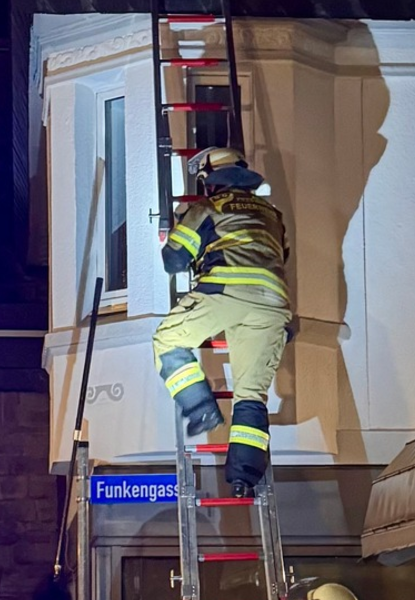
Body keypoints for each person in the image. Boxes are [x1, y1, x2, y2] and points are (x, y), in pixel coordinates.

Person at [152, 146, 292, 498]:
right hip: (273, 305)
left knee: (168, 340)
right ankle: (244, 478)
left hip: (225, 291)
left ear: (210, 180)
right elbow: (281, 255)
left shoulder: (207, 208)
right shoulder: (273, 214)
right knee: (251, 394)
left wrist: (177, 229)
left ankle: (201, 410)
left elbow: (173, 261)